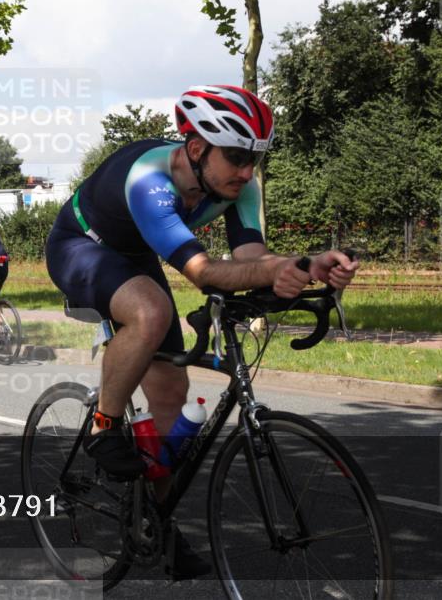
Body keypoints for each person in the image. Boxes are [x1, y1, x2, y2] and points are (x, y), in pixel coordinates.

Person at [45, 85, 358, 577]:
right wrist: (274, 273)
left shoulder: (240, 185)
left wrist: (308, 264)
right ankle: (104, 426)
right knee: (149, 313)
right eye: (236, 157)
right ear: (196, 149)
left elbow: (252, 258)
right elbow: (203, 271)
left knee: (172, 395)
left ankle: (153, 519)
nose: (247, 172)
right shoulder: (149, 180)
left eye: (254, 159)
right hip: (80, 246)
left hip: (136, 256)